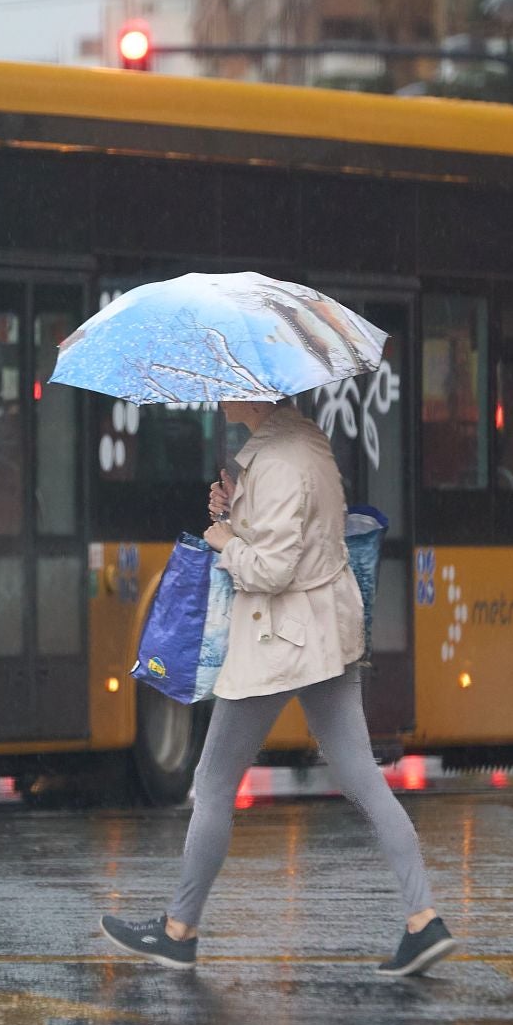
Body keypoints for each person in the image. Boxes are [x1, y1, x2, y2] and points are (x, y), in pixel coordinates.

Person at [102, 398, 456, 977]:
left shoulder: (276, 462)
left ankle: (178, 931)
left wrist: (223, 540)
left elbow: (270, 570)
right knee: (362, 774)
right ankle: (424, 919)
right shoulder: (306, 443)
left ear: (256, 395)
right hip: (327, 634)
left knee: (213, 782)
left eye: (230, 387)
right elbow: (304, 533)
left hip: (278, 643)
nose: (220, 399)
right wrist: (233, 510)